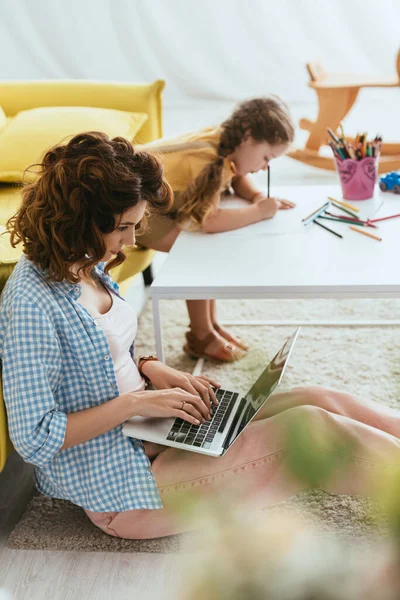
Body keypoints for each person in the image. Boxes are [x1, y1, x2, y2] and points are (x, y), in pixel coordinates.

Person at [1, 131, 400, 542]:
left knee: (319, 398)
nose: (133, 242)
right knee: (312, 428)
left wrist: (152, 369)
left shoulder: (84, 259)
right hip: (125, 486)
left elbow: (101, 354)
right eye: (124, 227)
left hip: (154, 430)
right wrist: (137, 401)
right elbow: (35, 437)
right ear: (79, 219)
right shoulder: (31, 303)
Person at [136, 96, 296, 363]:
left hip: (154, 200)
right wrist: (259, 212)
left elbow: (237, 175)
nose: (265, 166)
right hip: (134, 206)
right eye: (266, 157)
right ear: (247, 137)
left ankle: (209, 326)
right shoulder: (208, 160)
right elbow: (210, 221)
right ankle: (201, 335)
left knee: (202, 247)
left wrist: (257, 197)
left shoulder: (224, 141)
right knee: (199, 251)